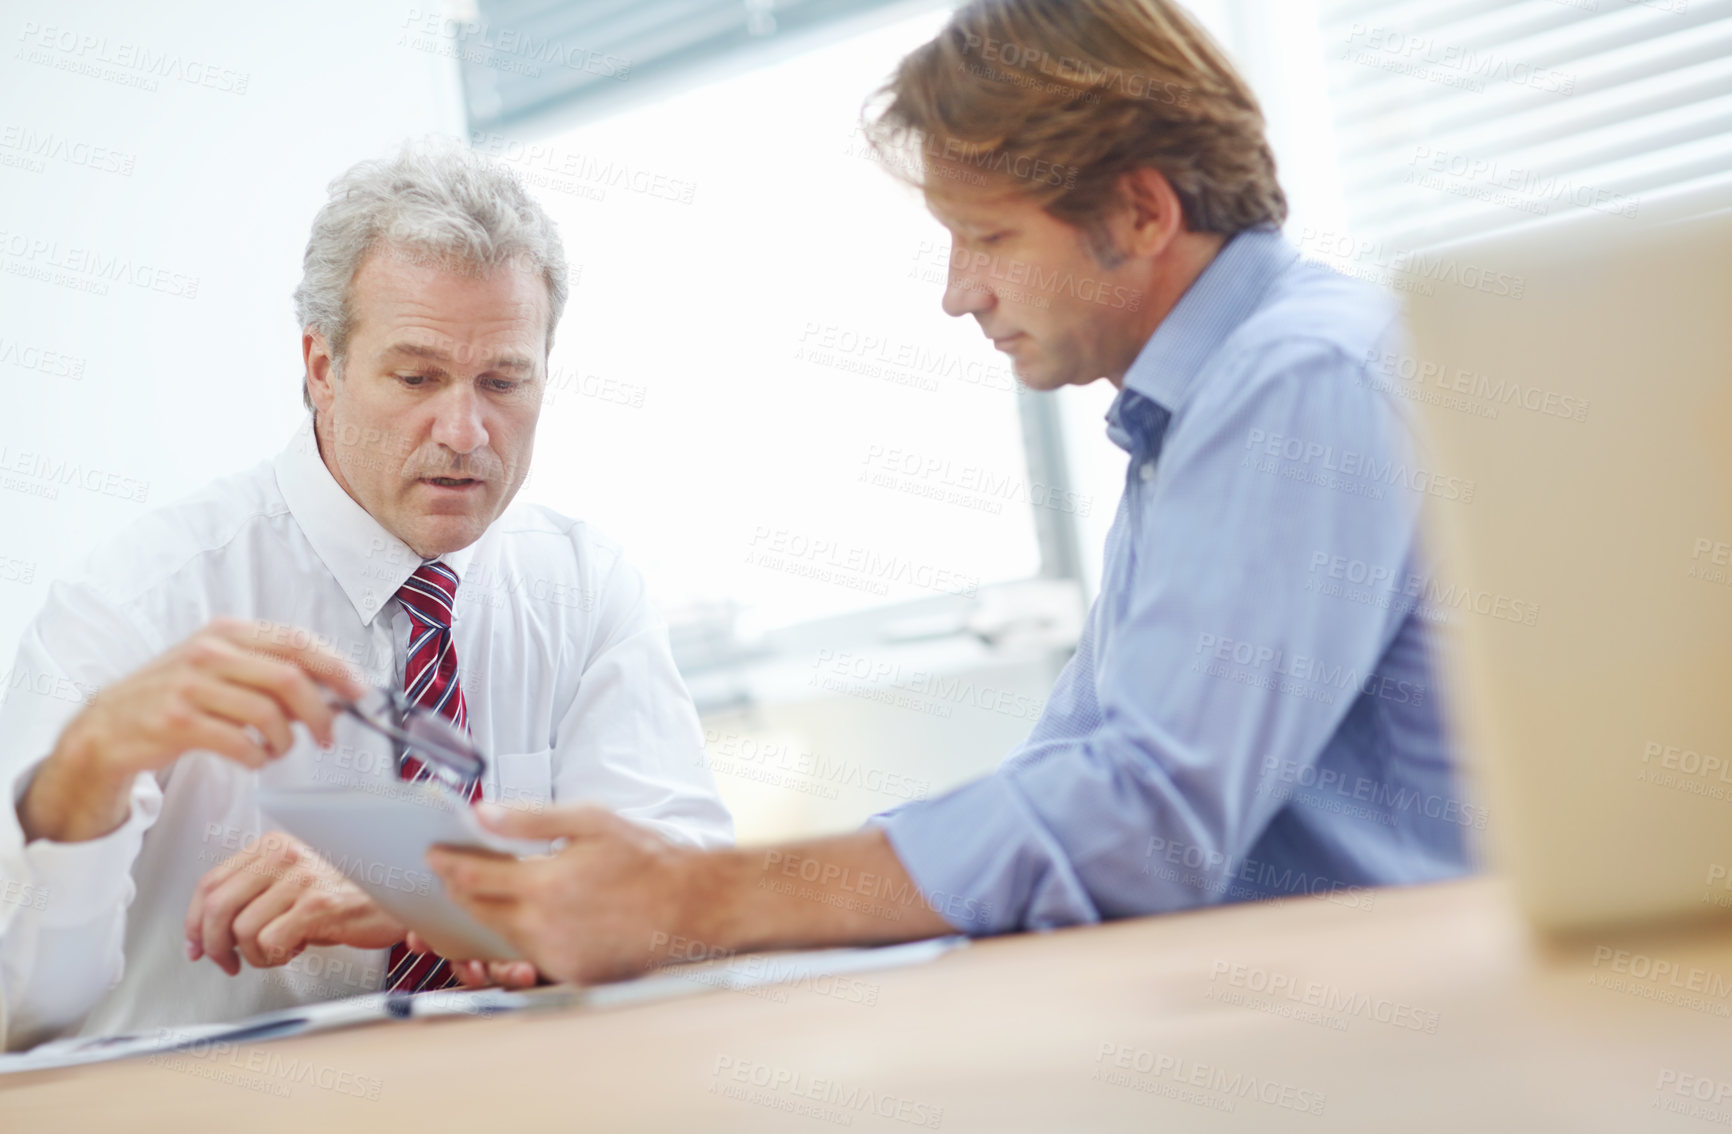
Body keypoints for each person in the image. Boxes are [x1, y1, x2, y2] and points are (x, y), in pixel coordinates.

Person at [422, 0, 1476, 988]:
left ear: (1140, 209)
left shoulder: (1294, 379)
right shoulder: (1206, 406)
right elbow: (1065, 773)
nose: (957, 291)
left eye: (990, 236)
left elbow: (1144, 820)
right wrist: (656, 898)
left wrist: (698, 899)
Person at [0, 143, 730, 1050]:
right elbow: (17, 1011)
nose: (465, 432)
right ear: (320, 366)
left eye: (503, 381)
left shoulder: (584, 587)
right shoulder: (137, 605)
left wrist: (435, 889)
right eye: (416, 377)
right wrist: (83, 774)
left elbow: (693, 917)